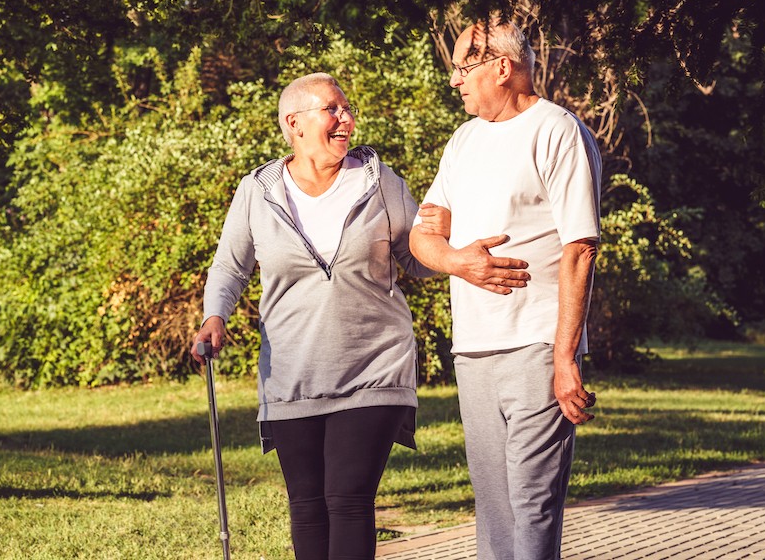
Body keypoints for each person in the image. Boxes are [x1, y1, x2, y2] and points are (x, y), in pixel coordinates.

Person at [191, 73, 524, 559]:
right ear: (295, 123)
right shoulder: (258, 192)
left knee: (348, 499)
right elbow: (229, 265)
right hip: (291, 374)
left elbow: (416, 255)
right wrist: (214, 315)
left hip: (374, 367)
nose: (347, 119)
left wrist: (457, 253)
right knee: (306, 505)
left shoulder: (378, 181)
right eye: (333, 109)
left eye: (347, 108)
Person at [410, 19, 602, 560]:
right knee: (494, 507)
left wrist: (565, 358)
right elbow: (425, 234)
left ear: (502, 66)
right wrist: (458, 263)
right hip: (473, 347)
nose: (455, 81)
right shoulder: (463, 140)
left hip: (537, 343)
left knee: (532, 502)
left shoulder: (557, 131)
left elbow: (580, 248)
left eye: (463, 67)